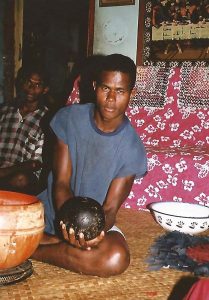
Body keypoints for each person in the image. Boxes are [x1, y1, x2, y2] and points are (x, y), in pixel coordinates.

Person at [33, 54, 147, 277]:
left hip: (93, 224)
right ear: (95, 86)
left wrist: (89, 235)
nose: (111, 98)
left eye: (120, 91)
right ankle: (56, 243)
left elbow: (110, 209)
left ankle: (33, 250)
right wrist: (68, 228)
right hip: (51, 210)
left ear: (131, 94)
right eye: (105, 88)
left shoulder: (132, 149)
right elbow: (61, 183)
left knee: (115, 258)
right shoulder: (69, 118)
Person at [0, 66, 49, 195]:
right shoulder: (5, 111)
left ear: (45, 90)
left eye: (38, 85)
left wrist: (5, 172)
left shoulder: (47, 119)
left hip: (23, 174)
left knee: (21, 180)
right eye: (28, 82)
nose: (31, 88)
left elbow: (35, 164)